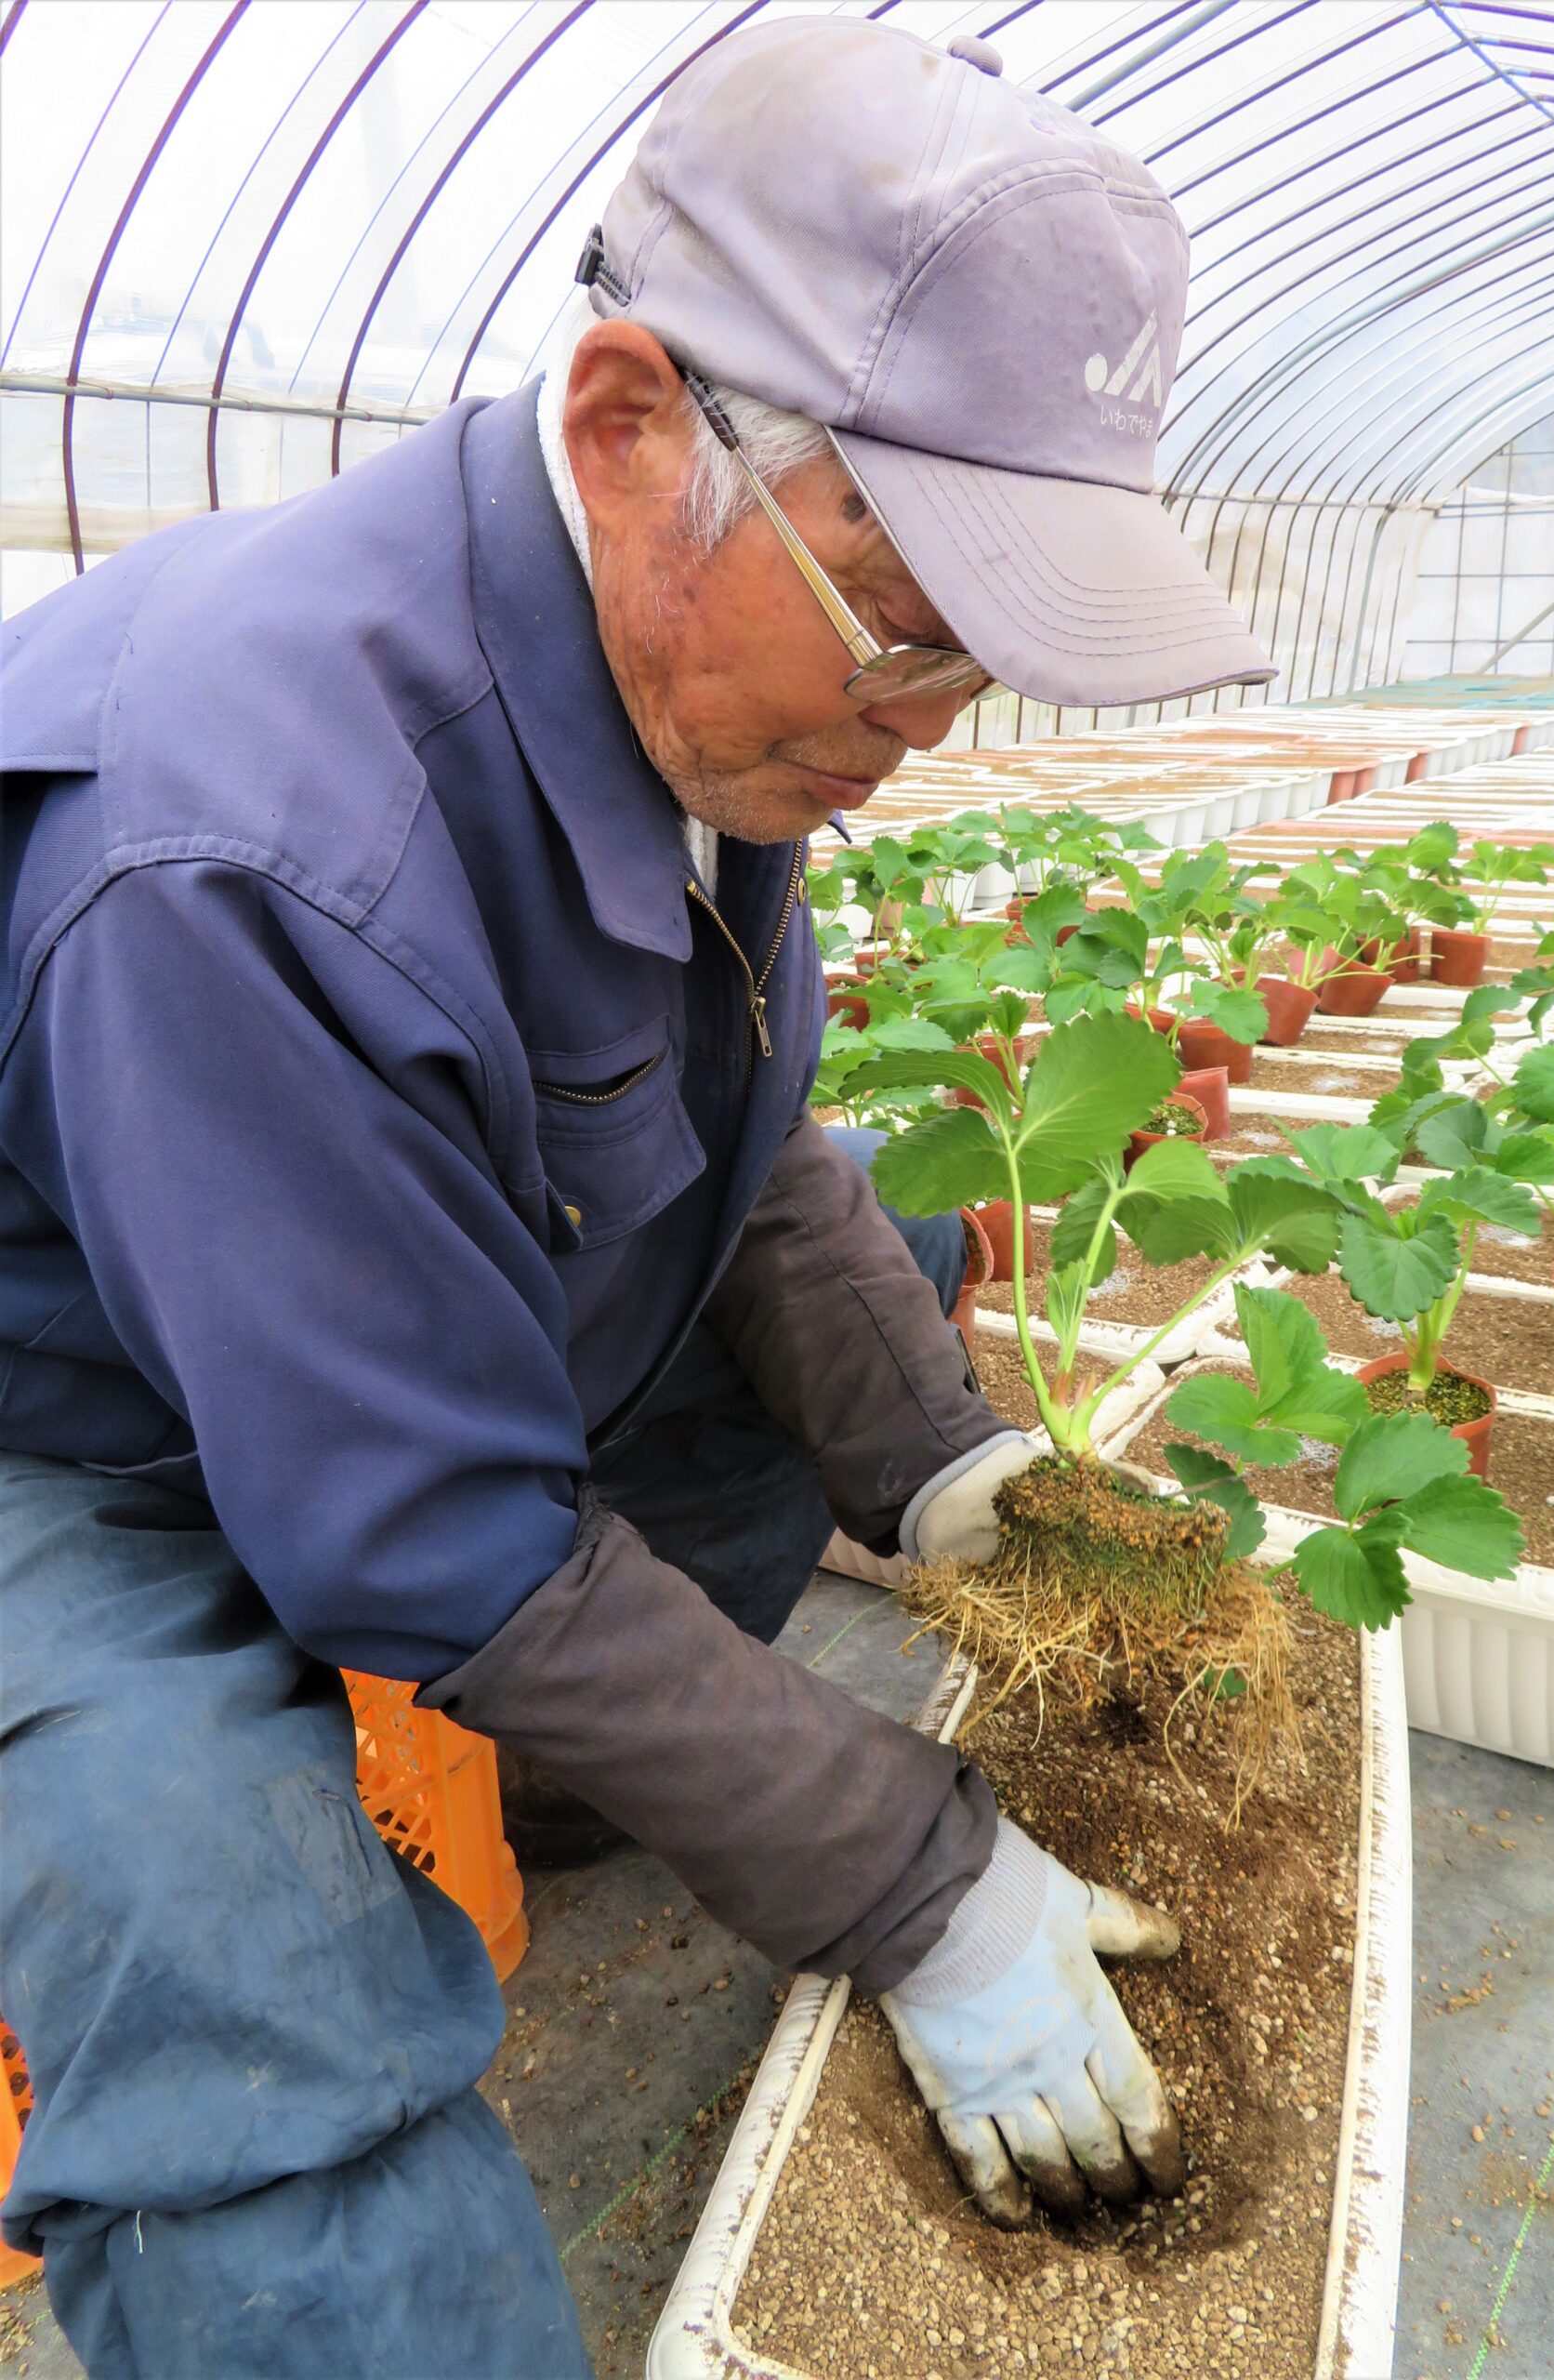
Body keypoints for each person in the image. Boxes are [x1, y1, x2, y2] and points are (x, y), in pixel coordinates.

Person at [0, 20, 1273, 2374]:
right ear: (628, 432)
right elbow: (434, 1530)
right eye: (912, 632)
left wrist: (942, 1458)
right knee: (235, 1965)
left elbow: (741, 1132)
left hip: (361, 1307)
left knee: (877, 1262)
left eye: (979, 666)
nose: (928, 730)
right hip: (66, 1421)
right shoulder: (249, 839)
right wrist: (919, 1881)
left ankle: (579, 1780)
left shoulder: (680, 689)